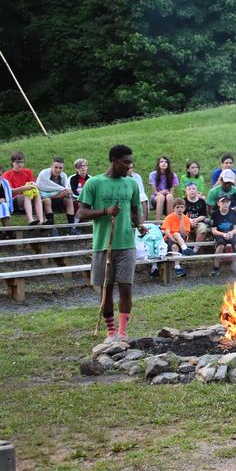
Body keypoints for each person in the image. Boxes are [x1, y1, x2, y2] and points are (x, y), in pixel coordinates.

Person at [77, 144, 148, 342]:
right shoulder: (94, 183)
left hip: (126, 244)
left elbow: (135, 211)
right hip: (102, 245)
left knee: (126, 288)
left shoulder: (131, 183)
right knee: (106, 289)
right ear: (114, 161)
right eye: (126, 162)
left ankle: (123, 333)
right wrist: (104, 211)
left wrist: (140, 225)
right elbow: (81, 213)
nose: (129, 166)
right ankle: (110, 333)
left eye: (130, 162)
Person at [37, 157, 78, 235]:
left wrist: (69, 192)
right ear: (51, 166)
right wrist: (59, 195)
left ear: (63, 168)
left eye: (60, 168)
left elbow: (66, 190)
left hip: (58, 201)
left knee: (69, 199)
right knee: (47, 200)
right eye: (56, 167)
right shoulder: (43, 175)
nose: (58, 170)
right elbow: (41, 194)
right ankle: (52, 228)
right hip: (43, 202)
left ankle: (71, 227)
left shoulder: (63, 176)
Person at [3, 151, 44, 226]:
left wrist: (34, 185)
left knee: (37, 194)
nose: (20, 164)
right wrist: (24, 188)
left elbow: (33, 186)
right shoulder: (7, 174)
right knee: (26, 194)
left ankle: (41, 221)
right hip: (14, 199)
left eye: (22, 162)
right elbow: (10, 192)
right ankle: (30, 220)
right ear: (12, 163)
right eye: (17, 162)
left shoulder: (28, 172)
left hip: (29, 197)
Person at [160, 198, 193, 277]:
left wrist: (181, 220)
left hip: (182, 239)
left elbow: (183, 234)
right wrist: (173, 239)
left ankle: (184, 248)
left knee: (177, 234)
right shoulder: (169, 218)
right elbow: (167, 232)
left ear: (184, 208)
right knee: (174, 243)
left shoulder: (185, 219)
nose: (180, 209)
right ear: (173, 208)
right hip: (170, 238)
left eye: (181, 207)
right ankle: (177, 267)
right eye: (177, 207)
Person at [209, 195, 236, 276]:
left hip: (231, 233)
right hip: (220, 234)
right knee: (221, 245)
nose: (225, 204)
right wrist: (223, 234)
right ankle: (216, 267)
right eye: (223, 202)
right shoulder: (215, 214)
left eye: (227, 202)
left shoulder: (233, 213)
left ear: (230, 203)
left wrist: (231, 233)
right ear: (218, 203)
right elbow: (214, 231)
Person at [148, 156, 179, 221]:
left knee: (170, 196)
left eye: (166, 162)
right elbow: (155, 192)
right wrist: (161, 193)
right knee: (161, 197)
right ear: (158, 164)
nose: (164, 163)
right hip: (156, 197)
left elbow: (171, 192)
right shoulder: (153, 174)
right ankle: (158, 222)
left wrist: (167, 193)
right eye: (161, 162)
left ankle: (170, 221)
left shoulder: (173, 175)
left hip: (168, 197)